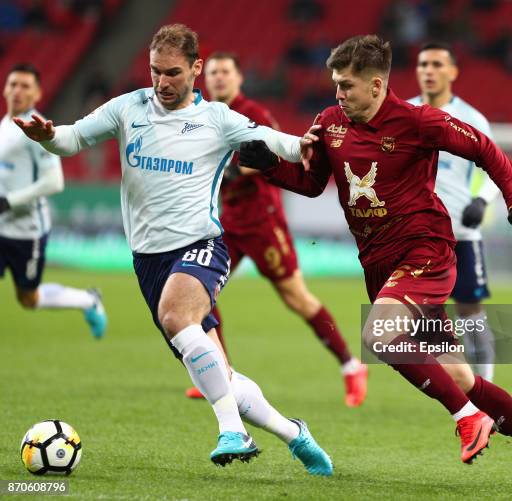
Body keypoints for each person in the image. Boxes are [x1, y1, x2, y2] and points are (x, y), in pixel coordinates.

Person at [238, 35, 512, 490]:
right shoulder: (330, 123)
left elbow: (485, 149)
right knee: (460, 376)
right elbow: (313, 181)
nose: (338, 94)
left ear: (377, 86)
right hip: (379, 264)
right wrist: (269, 166)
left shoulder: (418, 122)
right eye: (336, 84)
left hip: (427, 251)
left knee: (379, 334)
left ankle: (466, 419)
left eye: (348, 86)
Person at [14, 24, 332, 475]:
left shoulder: (217, 118)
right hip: (148, 260)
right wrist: (47, 135)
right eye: (154, 72)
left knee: (178, 316)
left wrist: (303, 145)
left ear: (196, 69)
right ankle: (294, 433)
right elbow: (71, 139)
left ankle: (231, 432)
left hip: (201, 245)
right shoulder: (129, 107)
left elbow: (272, 139)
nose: (162, 83)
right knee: (217, 372)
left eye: (173, 73)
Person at [183, 51, 368, 406]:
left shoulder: (252, 113)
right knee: (201, 291)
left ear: (238, 78)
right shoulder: (203, 115)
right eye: (214, 73)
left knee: (296, 298)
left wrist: (226, 171)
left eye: (226, 72)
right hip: (226, 222)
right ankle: (221, 371)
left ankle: (350, 366)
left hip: (262, 221)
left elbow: (272, 154)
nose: (219, 78)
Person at [408, 42, 497, 381]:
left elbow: (497, 168)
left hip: (460, 232)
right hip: (417, 234)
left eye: (436, 64)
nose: (428, 71)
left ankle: (487, 386)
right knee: (422, 314)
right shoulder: (404, 113)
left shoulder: (472, 119)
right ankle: (452, 385)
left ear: (453, 72)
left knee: (470, 313)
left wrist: (482, 200)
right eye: (423, 64)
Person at [0, 63, 107, 338]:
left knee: (28, 299)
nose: (17, 91)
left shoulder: (36, 129)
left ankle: (87, 300)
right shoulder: (4, 126)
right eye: (13, 84)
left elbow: (54, 182)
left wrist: (9, 202)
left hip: (26, 231)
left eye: (25, 86)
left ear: (37, 94)